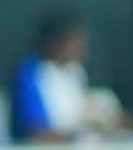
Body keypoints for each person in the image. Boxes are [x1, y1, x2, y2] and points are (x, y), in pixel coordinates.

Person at [8, 11, 125, 141]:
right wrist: (76, 137)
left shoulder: (75, 71)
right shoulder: (30, 74)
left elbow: (82, 113)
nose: (81, 50)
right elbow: (35, 130)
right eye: (74, 42)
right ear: (54, 42)